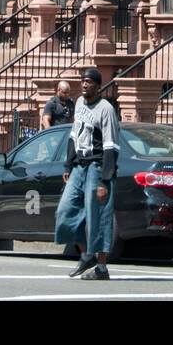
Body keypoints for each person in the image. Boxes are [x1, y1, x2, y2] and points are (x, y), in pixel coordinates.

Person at [54, 67, 119, 281]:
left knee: (98, 217)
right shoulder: (80, 104)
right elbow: (74, 135)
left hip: (97, 167)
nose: (84, 84)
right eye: (82, 80)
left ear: (98, 86)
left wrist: (104, 180)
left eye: (89, 81)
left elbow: (111, 146)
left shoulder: (106, 109)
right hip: (79, 167)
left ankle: (101, 267)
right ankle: (86, 254)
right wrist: (67, 165)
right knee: (65, 212)